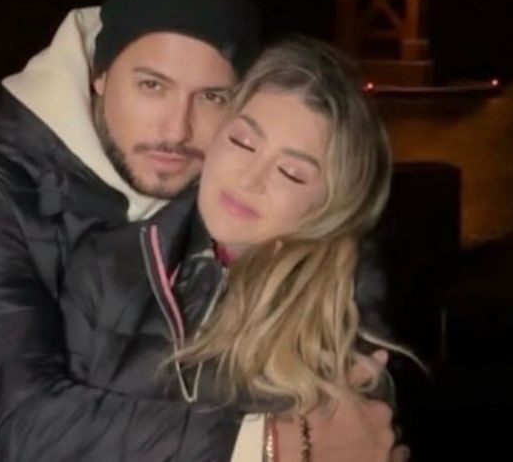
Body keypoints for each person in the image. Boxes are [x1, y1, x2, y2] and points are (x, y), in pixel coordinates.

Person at [59, 37, 414, 461]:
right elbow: (47, 435)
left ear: (332, 206)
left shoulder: (342, 319)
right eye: (243, 142)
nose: (249, 178)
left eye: (290, 172)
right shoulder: (105, 264)